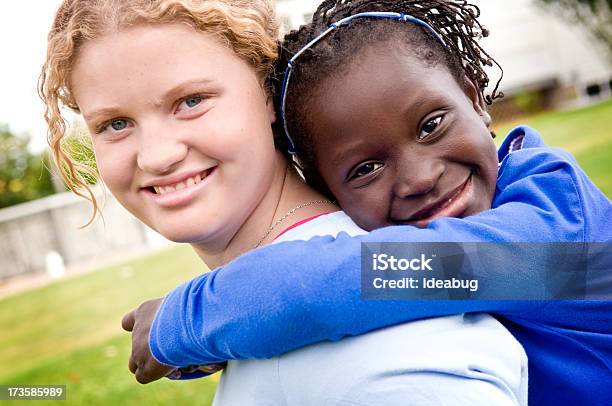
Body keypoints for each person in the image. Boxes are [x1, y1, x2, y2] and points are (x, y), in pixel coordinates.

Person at [39, 0, 528, 404]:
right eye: (114, 124)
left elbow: (569, 270)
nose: (157, 156)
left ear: (265, 90)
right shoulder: (262, 318)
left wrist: (188, 318)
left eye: (191, 101)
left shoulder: (391, 347)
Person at [135, 1, 612, 405]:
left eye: (431, 125)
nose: (420, 178)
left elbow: (344, 280)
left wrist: (190, 319)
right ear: (324, 188)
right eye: (365, 169)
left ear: (473, 97)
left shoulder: (561, 223)